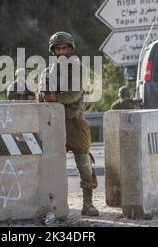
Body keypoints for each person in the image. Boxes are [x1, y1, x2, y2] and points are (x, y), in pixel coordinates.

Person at [37, 31, 99, 216]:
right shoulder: (47, 72)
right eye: (58, 48)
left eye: (64, 48)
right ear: (53, 51)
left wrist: (54, 97)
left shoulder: (79, 69)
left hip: (75, 122)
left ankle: (88, 204)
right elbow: (39, 95)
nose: (61, 51)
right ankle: (54, 205)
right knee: (51, 165)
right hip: (54, 123)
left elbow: (74, 94)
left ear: (70, 49)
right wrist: (44, 96)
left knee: (83, 163)